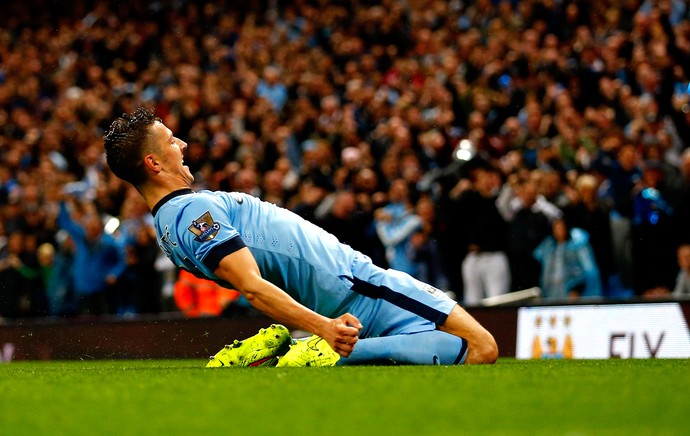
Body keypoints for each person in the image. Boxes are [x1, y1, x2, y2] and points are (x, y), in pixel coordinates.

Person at [103, 107, 497, 367]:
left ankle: (326, 351)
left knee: (444, 357)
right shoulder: (191, 213)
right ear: (153, 163)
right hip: (361, 287)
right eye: (172, 141)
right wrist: (323, 328)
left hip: (346, 301)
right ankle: (314, 351)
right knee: (482, 347)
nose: (183, 144)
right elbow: (252, 286)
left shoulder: (169, 224)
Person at [533, 219, 602, 300]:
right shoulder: (549, 246)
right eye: (557, 229)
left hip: (569, 290)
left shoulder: (575, 246)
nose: (560, 232)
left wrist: (576, 288)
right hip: (551, 290)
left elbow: (582, 270)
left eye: (562, 228)